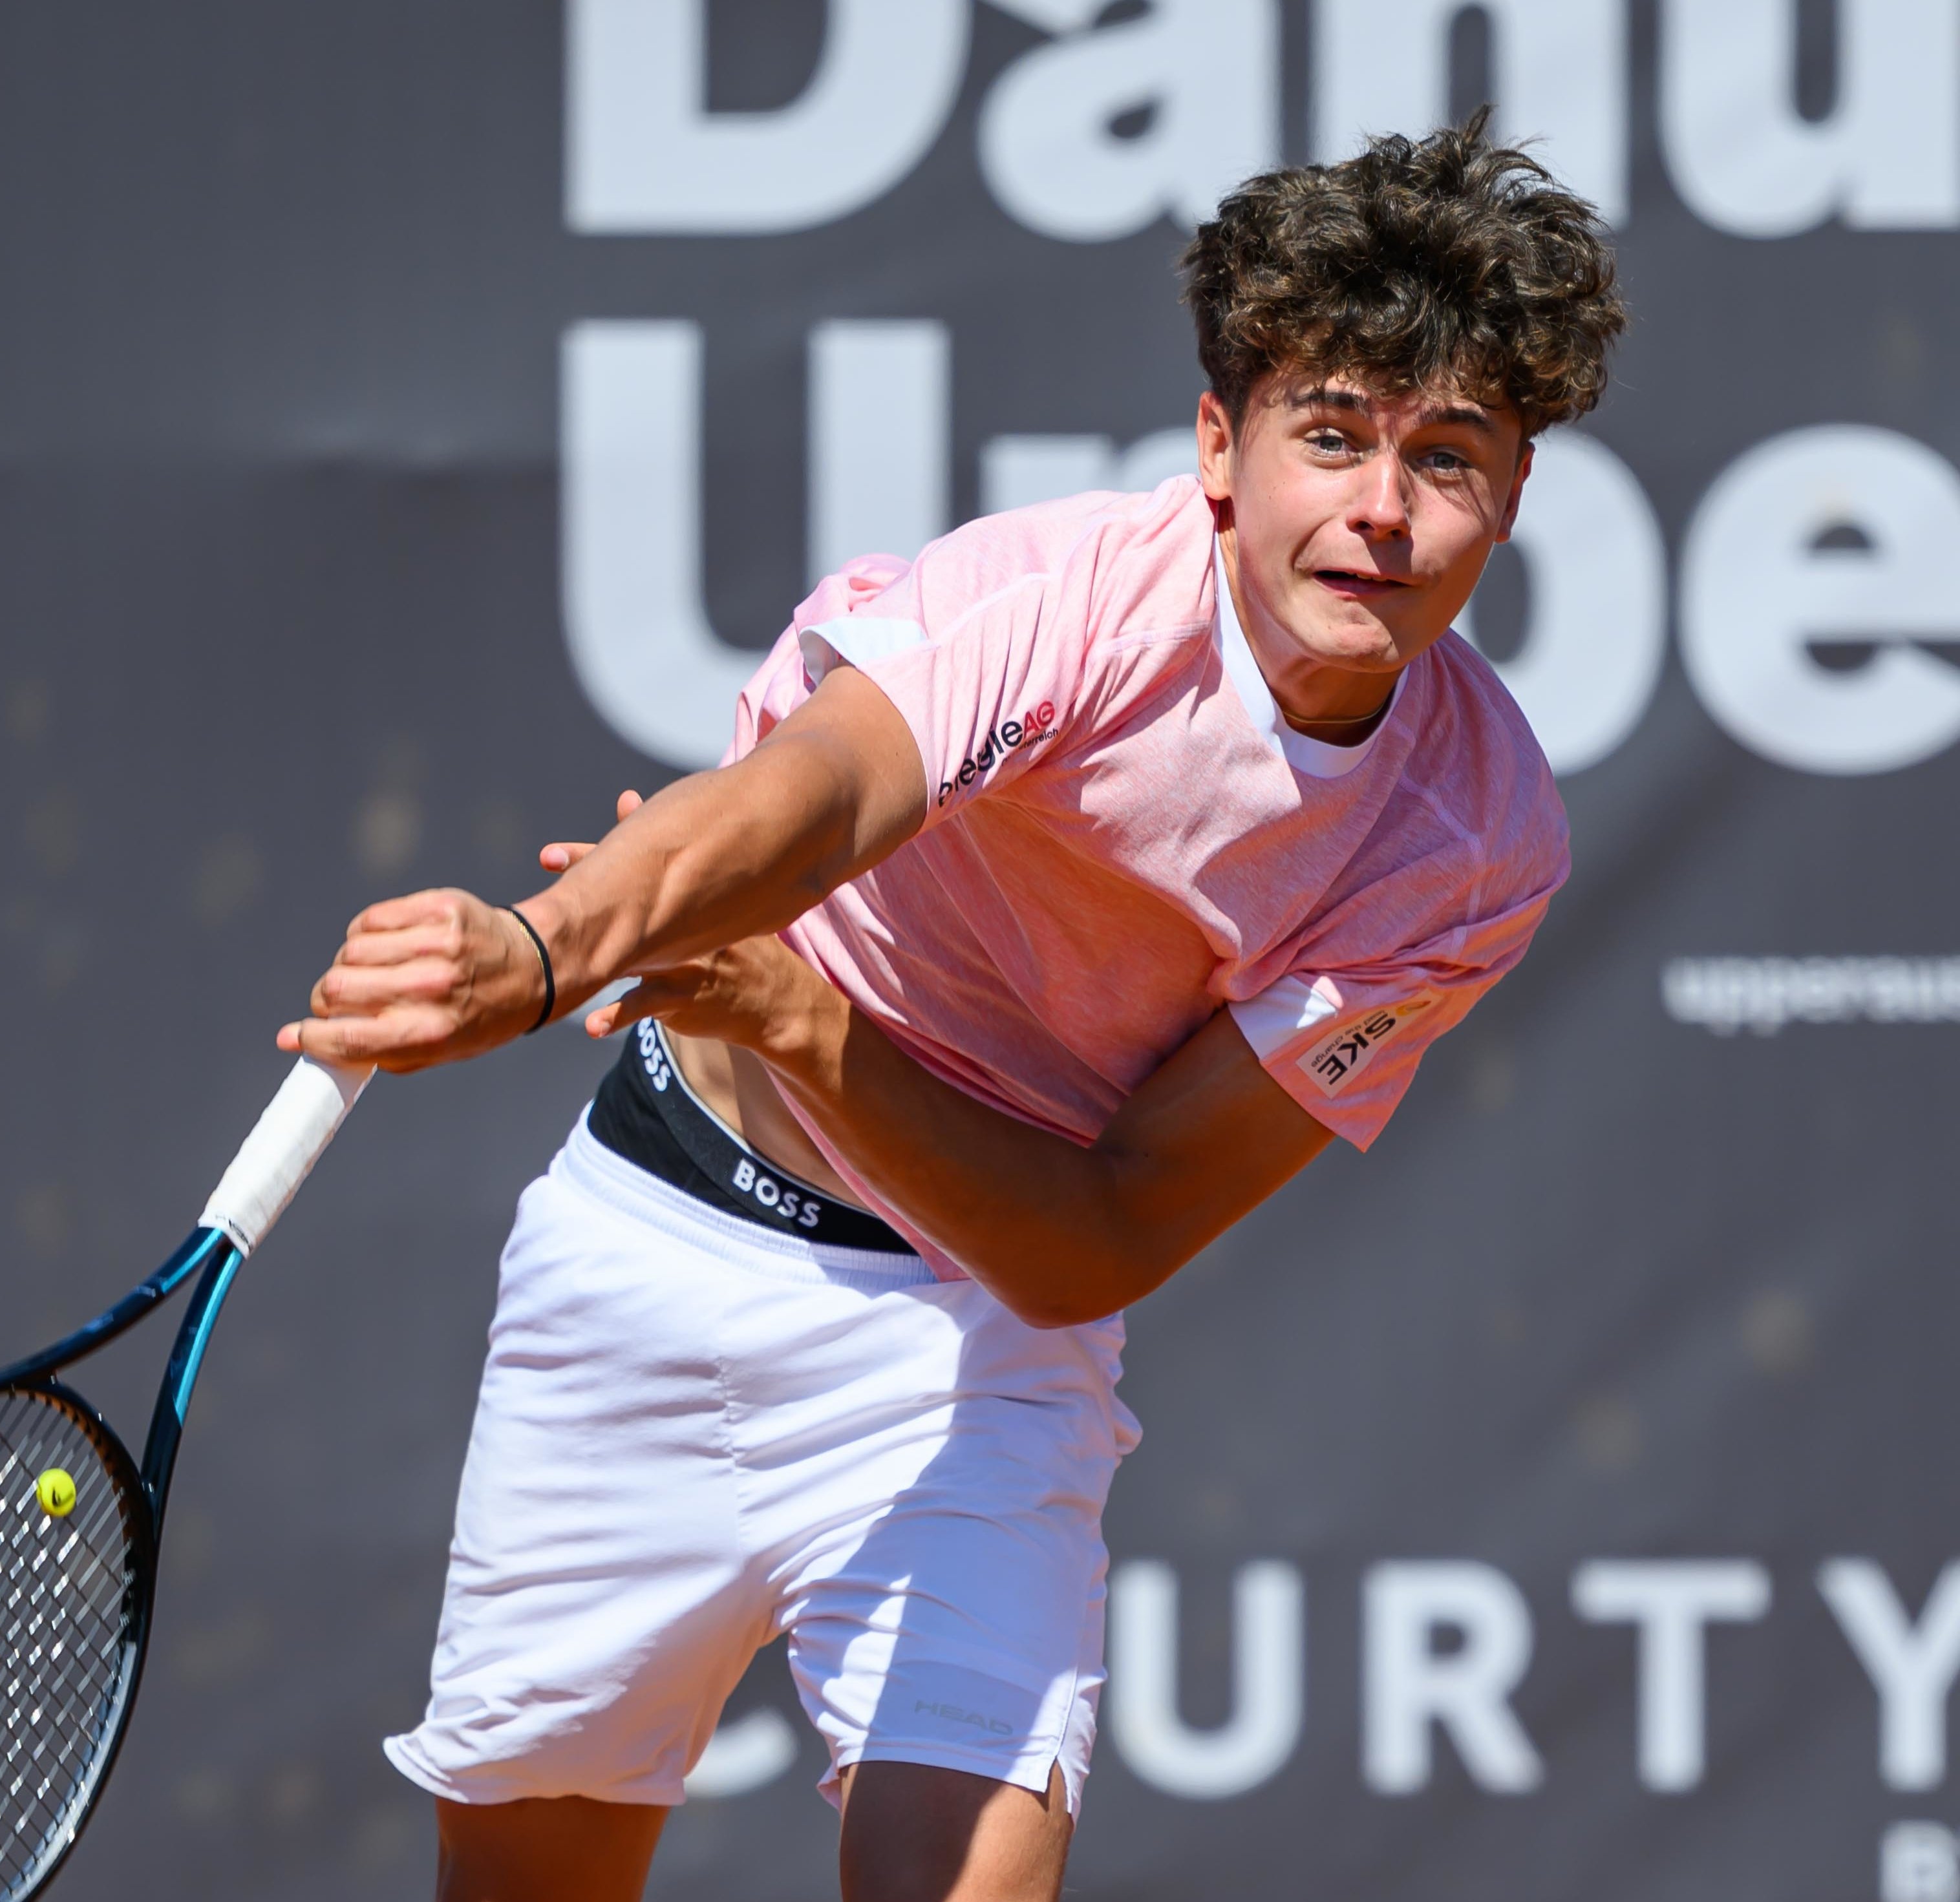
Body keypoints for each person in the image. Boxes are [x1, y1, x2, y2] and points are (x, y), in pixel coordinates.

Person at [279, 118, 1623, 1902]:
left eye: (1446, 457)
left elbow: (1097, 1237)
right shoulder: (1068, 597)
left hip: (977, 1348)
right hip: (645, 1265)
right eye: (1329, 435)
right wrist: (545, 949)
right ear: (1219, 451)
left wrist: (794, 1015)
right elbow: (821, 793)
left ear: (1510, 499)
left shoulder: (1476, 844)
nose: (1382, 509)